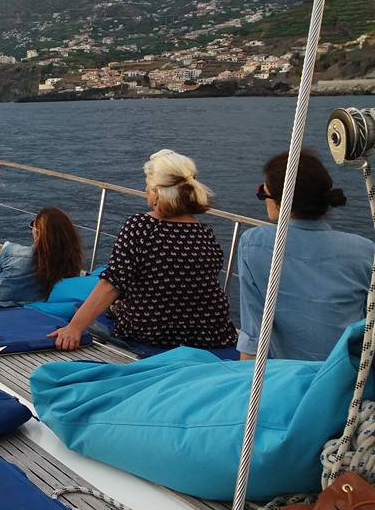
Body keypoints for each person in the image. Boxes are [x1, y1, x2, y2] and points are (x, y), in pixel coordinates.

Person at [50, 149, 237, 351]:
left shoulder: (141, 225)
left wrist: (74, 328)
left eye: (147, 186)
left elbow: (112, 283)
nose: (145, 191)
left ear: (157, 193)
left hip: (155, 332)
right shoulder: (205, 232)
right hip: (211, 331)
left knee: (113, 308)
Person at [236, 150, 374, 361]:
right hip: (346, 373)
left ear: (280, 201)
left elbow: (253, 335)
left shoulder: (253, 244)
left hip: (287, 373)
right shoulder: (365, 251)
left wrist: (244, 379)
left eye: (263, 193)